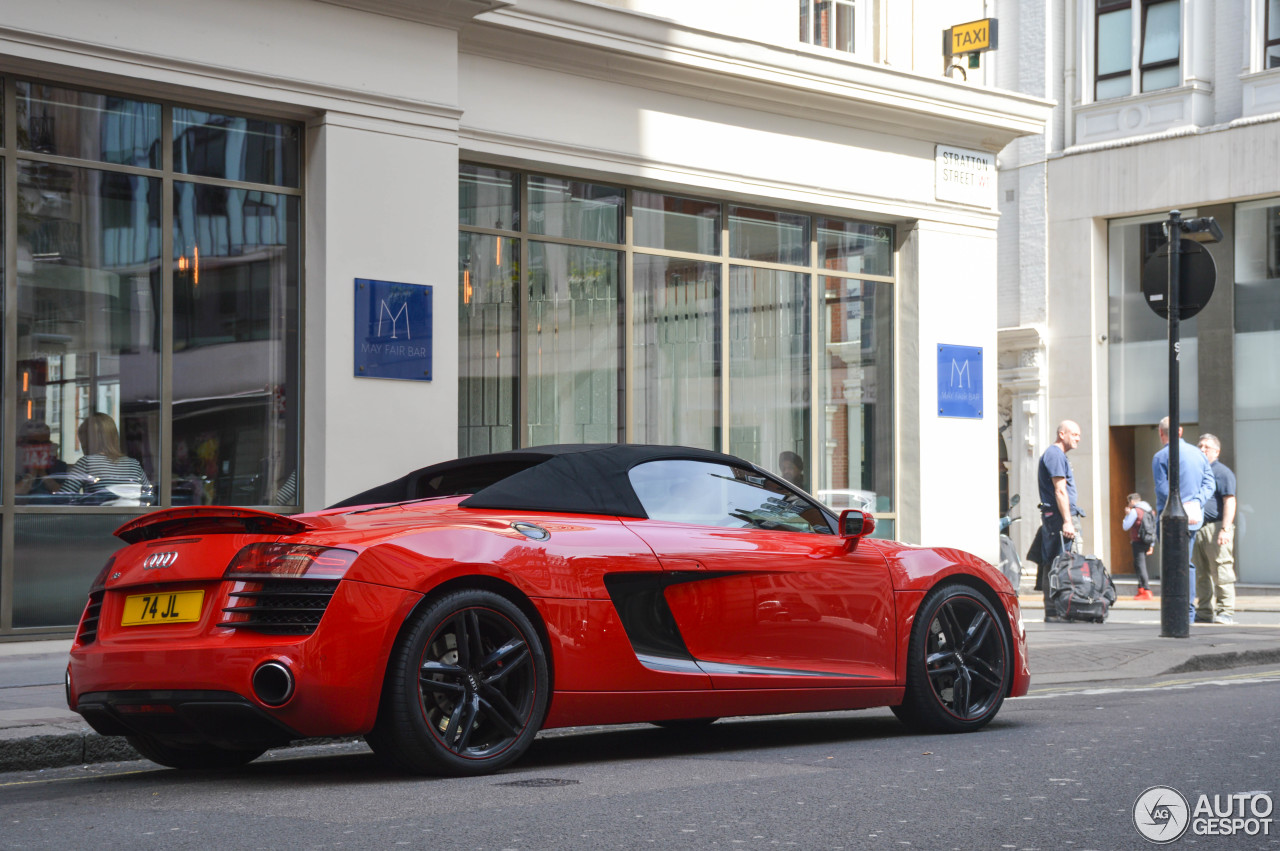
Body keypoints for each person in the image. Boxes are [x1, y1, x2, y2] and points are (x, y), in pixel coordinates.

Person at [1152, 417, 1217, 627]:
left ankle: (1175, 610)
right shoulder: (1198, 454)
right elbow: (1209, 482)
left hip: (1170, 520)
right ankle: (1187, 611)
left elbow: (1163, 491)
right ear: (1179, 431)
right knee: (1187, 564)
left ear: (1162, 434)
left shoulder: (1160, 456)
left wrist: (1179, 503)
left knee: (1171, 565)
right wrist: (1196, 502)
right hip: (1193, 518)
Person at [1037, 419, 1081, 622]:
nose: (1078, 439)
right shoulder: (1054, 455)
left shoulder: (1057, 455)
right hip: (1057, 519)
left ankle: (1054, 611)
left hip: (1055, 518)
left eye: (1079, 435)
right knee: (1059, 564)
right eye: (1074, 434)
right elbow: (1060, 490)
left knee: (1055, 563)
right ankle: (1056, 611)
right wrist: (1067, 521)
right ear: (1061, 434)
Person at [1193, 433, 1237, 624]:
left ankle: (1226, 611)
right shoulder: (1197, 471)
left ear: (1217, 451)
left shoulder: (1222, 472)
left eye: (1206, 447)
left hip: (1216, 527)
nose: (1202, 449)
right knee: (1200, 573)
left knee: (1221, 570)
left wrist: (1225, 529)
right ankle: (1204, 612)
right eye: (1200, 446)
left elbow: (1230, 501)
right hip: (1197, 528)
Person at [59, 413, 152, 503]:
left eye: (83, 439)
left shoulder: (86, 462)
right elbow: (149, 495)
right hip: (133, 518)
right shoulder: (133, 464)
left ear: (91, 439)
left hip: (101, 518)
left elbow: (63, 498)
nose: (82, 444)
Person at [1121, 492, 1156, 600]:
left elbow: (1125, 526)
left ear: (1132, 501)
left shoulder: (1135, 511)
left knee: (1140, 566)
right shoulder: (1150, 511)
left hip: (1138, 541)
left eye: (1128, 502)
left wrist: (1127, 515)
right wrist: (1152, 544)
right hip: (1148, 541)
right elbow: (1154, 528)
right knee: (1140, 565)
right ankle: (1141, 589)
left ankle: (1146, 590)